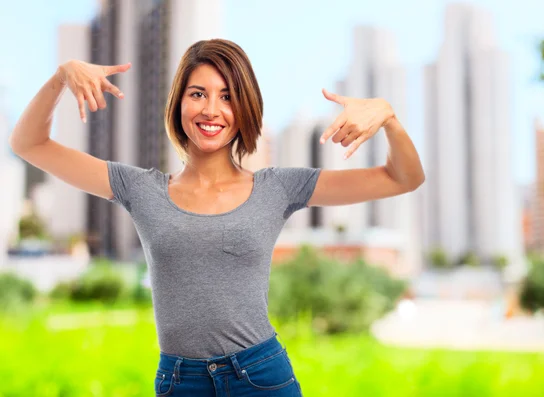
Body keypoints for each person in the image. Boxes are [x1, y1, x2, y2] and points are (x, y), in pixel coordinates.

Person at [8, 39, 425, 396]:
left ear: (244, 109)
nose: (211, 109)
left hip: (260, 377)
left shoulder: (278, 188)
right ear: (179, 103)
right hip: (179, 380)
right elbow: (30, 143)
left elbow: (403, 177)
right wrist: (62, 76)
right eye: (198, 93)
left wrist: (387, 116)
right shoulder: (139, 188)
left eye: (227, 96)